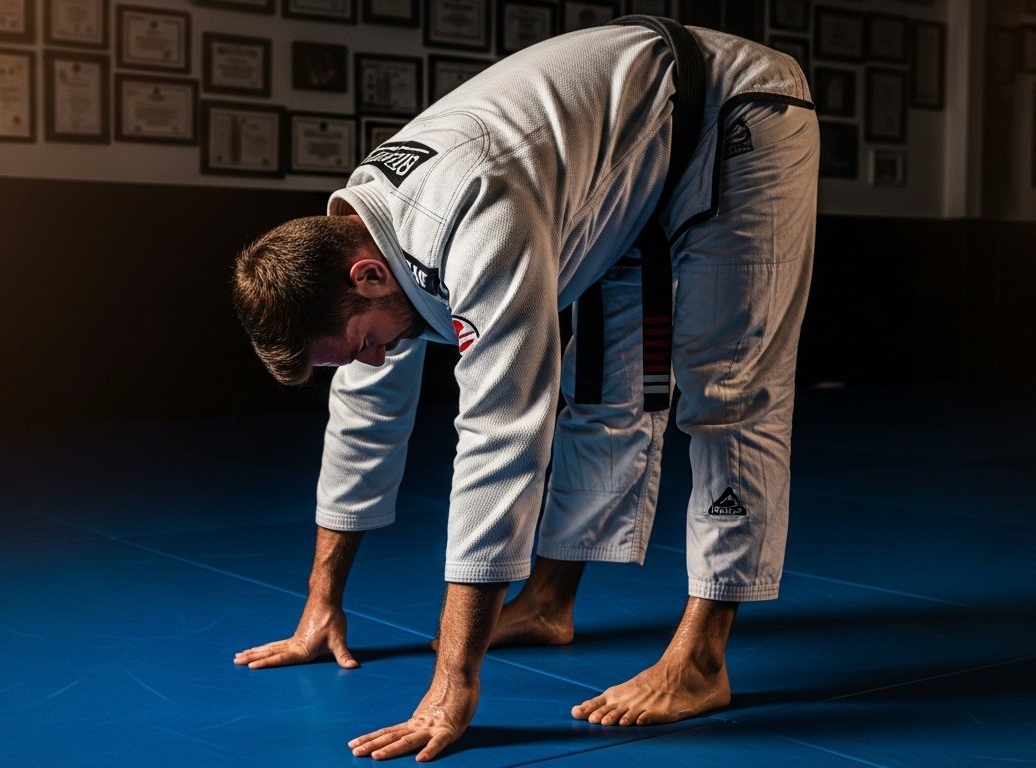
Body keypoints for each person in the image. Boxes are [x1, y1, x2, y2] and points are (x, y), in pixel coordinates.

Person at [232, 16, 817, 763]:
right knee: (602, 394)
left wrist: (454, 682)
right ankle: (546, 603)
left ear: (368, 276)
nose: (372, 360)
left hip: (734, 110)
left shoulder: (479, 214)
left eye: (365, 344)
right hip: (626, 151)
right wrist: (322, 605)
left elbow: (500, 442)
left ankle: (702, 659)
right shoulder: (359, 238)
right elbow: (362, 419)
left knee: (726, 388)